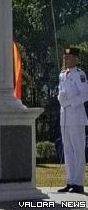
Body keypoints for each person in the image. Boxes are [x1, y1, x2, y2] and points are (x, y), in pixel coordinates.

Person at [57, 47, 87, 194]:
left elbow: (85, 95)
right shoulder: (62, 75)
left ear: (75, 59)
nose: (65, 60)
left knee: (78, 150)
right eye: (64, 57)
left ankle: (79, 183)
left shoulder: (79, 74)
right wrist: (60, 99)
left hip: (76, 117)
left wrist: (69, 102)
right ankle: (70, 181)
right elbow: (60, 93)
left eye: (68, 57)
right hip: (65, 117)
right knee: (67, 151)